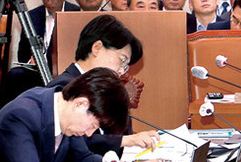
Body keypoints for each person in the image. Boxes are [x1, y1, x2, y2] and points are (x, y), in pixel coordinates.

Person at [0, 68, 164, 162]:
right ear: (81, 103)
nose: (89, 133)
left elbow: (83, 159)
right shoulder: (21, 115)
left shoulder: (66, 115)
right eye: (93, 125)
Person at [47, 14, 158, 154]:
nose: (121, 71)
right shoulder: (63, 88)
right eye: (122, 60)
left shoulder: (103, 91)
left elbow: (120, 131)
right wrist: (126, 141)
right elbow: (75, 143)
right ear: (97, 48)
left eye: (126, 66)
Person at [17, 0, 80, 66]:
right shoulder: (31, 17)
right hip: (37, 71)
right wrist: (31, 61)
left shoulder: (76, 14)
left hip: (67, 70)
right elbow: (23, 55)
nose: (49, 2)